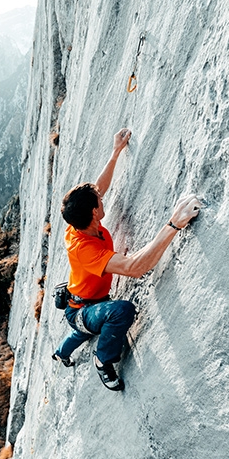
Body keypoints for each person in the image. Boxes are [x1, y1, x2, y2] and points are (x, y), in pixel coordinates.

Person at [52, 128, 201, 390]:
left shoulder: (77, 221)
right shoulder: (84, 248)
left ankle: (60, 354)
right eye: (99, 200)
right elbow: (135, 267)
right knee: (120, 312)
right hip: (83, 310)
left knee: (79, 333)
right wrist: (174, 224)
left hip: (83, 303)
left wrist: (116, 152)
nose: (101, 195)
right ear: (96, 213)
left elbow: (98, 187)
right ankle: (103, 361)